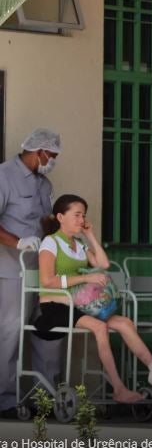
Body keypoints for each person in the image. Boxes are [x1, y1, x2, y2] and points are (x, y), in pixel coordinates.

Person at [33, 194, 152, 403]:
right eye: (77, 215)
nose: (81, 220)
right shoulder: (50, 243)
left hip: (82, 306)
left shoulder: (79, 244)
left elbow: (103, 264)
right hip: (56, 306)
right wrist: (87, 276)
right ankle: (119, 389)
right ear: (60, 217)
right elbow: (47, 280)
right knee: (100, 327)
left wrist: (90, 236)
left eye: (83, 215)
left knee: (124, 323)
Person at [0, 128, 64, 418]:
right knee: (10, 334)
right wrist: (18, 242)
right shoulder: (4, 176)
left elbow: (44, 224)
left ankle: (45, 397)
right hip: (13, 269)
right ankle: (6, 400)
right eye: (51, 155)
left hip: (44, 270)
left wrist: (58, 225)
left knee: (47, 328)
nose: (53, 160)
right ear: (38, 151)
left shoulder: (44, 184)